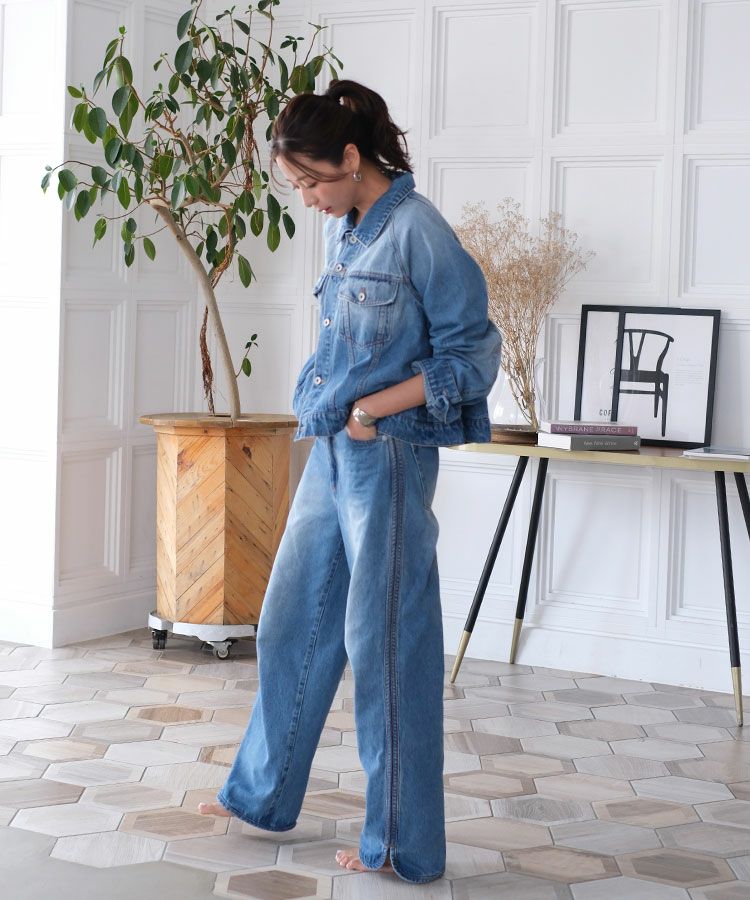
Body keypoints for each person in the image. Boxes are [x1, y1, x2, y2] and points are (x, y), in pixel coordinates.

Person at [198, 79, 502, 885]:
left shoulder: (420, 232)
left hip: (388, 456)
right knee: (290, 621)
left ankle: (401, 846)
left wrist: (372, 409)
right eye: (295, 185)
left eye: (311, 182)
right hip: (332, 450)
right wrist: (341, 409)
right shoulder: (353, 228)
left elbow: (473, 357)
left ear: (351, 158)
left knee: (386, 646)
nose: (307, 200)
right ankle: (262, 794)